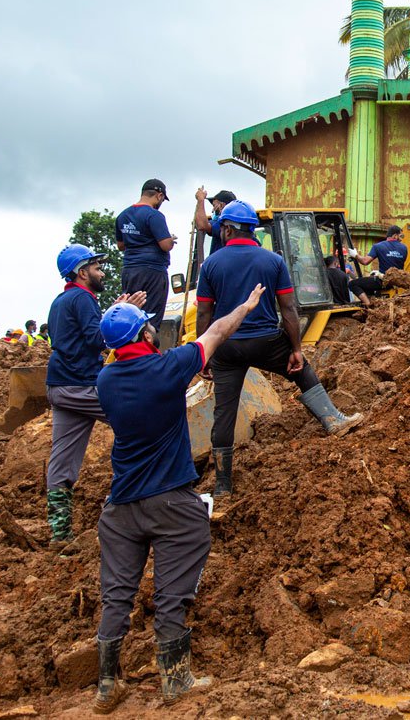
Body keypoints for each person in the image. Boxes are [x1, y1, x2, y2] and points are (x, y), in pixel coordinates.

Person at [91, 286, 263, 709]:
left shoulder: (105, 380)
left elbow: (120, 350)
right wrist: (245, 306)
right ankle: (175, 678)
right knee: (172, 590)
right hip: (169, 503)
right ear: (147, 336)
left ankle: (107, 683)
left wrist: (122, 316)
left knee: (116, 594)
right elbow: (217, 333)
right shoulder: (168, 368)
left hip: (120, 508)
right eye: (148, 327)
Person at [196, 201, 363, 497]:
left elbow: (204, 314)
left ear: (227, 229)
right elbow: (288, 307)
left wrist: (203, 353)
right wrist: (295, 348)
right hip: (265, 341)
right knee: (302, 372)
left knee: (225, 412)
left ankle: (223, 483)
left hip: (226, 348)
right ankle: (333, 420)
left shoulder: (212, 264)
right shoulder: (272, 261)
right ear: (251, 229)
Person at [45, 243, 147, 544]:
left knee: (62, 461)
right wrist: (127, 314)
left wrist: (114, 310)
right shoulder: (84, 298)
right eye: (97, 268)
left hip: (59, 386)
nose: (102, 272)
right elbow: (99, 339)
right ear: (81, 272)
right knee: (142, 426)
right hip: (82, 385)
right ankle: (124, 507)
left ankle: (60, 534)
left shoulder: (61, 301)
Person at [116, 178, 177, 330]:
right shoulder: (154, 215)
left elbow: (121, 245)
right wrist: (171, 239)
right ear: (159, 196)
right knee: (151, 319)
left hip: (130, 271)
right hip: (152, 272)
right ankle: (147, 349)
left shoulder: (123, 215)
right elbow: (165, 245)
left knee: (132, 313)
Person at [348, 226, 407, 303]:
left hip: (383, 281)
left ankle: (368, 304)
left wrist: (355, 255)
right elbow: (395, 264)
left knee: (352, 284)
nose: (401, 239)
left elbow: (365, 261)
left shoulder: (378, 246)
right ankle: (373, 300)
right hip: (397, 282)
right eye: (400, 236)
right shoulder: (404, 248)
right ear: (395, 236)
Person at [194, 187, 237, 256]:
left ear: (222, 205)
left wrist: (200, 200)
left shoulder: (224, 223)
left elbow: (201, 225)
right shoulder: (240, 224)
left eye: (214, 205)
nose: (213, 209)